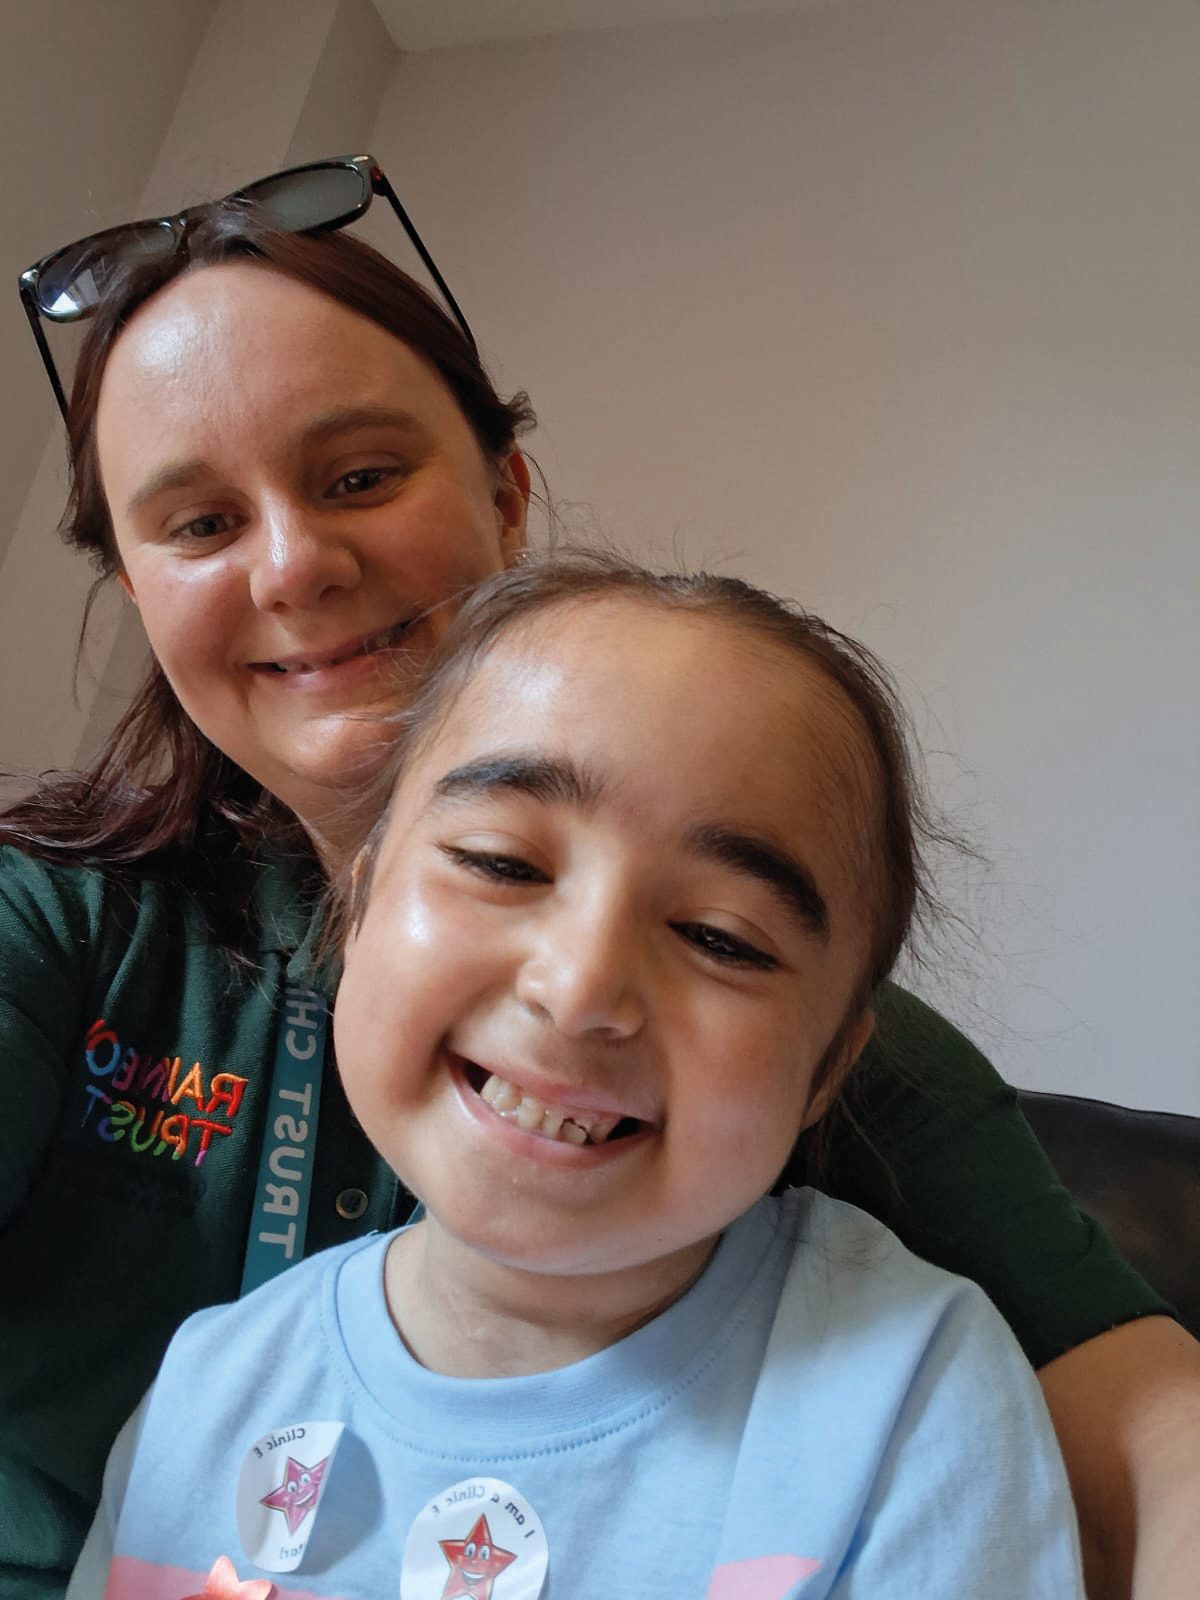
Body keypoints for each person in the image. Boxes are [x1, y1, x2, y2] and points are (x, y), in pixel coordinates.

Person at [0, 180, 1196, 1600]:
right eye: (197, 524)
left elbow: (1150, 1434)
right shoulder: (55, 922)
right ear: (137, 589)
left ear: (505, 493)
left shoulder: (867, 1231)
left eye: (362, 476)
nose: (298, 566)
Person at [69, 551, 1087, 1598]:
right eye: (504, 863)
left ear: (829, 1067)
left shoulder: (911, 1399)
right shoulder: (205, 1390)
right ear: (357, 911)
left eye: (719, 936)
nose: (581, 985)